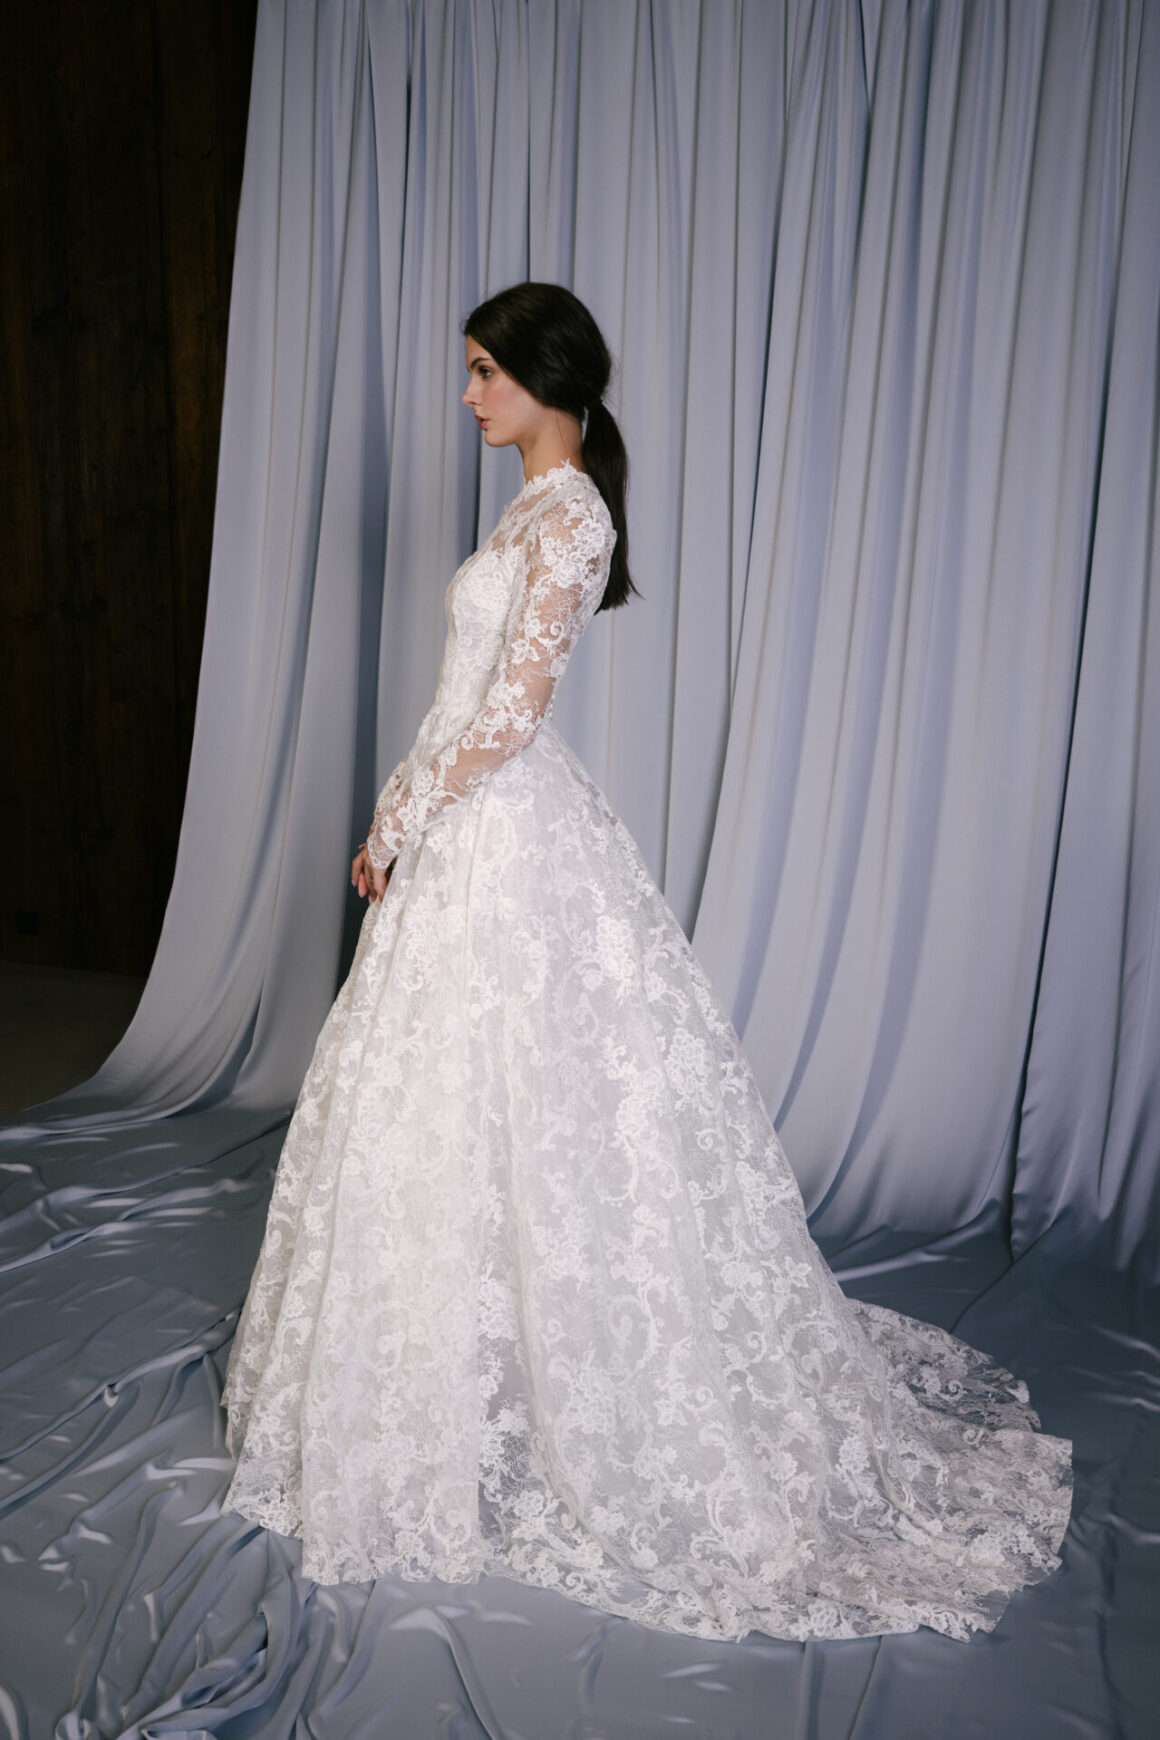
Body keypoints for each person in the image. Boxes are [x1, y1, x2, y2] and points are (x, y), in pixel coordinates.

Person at [222, 282, 1073, 1643]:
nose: (467, 397)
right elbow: (463, 699)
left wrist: (403, 814)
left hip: (502, 830)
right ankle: (450, 1370)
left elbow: (512, 710)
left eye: (485, 373)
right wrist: (401, 807)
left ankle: (563, 1380)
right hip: (467, 823)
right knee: (446, 1102)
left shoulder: (572, 516)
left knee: (541, 1103)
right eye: (468, 371)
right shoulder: (526, 509)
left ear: (546, 378)